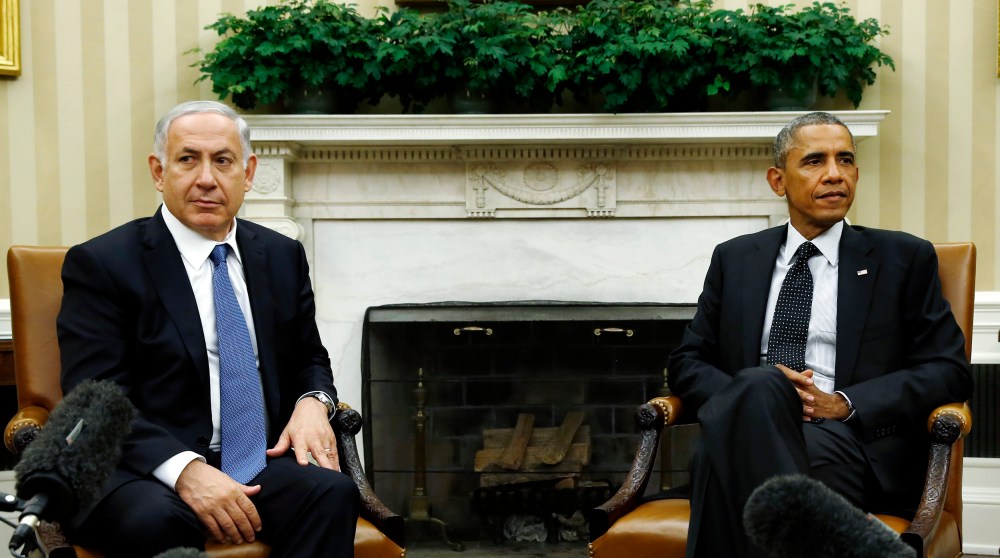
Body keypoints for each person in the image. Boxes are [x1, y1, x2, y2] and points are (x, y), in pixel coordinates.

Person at [57, 100, 360, 557]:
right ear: (159, 172)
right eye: (187, 159)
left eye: (222, 160)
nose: (206, 178)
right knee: (155, 520)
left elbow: (308, 357)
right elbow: (96, 400)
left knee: (331, 494)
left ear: (248, 172)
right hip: (141, 468)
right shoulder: (104, 264)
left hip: (256, 459)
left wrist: (313, 403)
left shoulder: (281, 255)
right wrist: (186, 471)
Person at [667, 111, 972, 558]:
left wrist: (844, 404)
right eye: (814, 161)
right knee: (761, 385)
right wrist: (756, 396)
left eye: (845, 160)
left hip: (847, 441)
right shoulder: (735, 259)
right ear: (778, 181)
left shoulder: (903, 258)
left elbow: (949, 370)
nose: (834, 174)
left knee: (735, 460)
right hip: (747, 430)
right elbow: (687, 363)